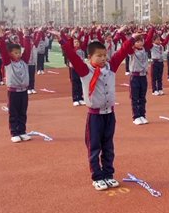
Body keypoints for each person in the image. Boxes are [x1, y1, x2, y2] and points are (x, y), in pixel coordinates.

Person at [53, 26, 134, 191]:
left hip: (109, 114)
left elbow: (122, 53)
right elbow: (73, 56)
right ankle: (97, 177)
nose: (103, 58)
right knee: (94, 146)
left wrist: (131, 38)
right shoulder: (85, 70)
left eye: (105, 55)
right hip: (95, 116)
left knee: (108, 146)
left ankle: (108, 174)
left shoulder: (110, 68)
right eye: (99, 56)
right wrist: (62, 40)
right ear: (90, 57)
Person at [0, 27, 33, 142]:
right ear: (10, 54)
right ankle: (14, 132)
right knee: (13, 113)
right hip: (13, 92)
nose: (18, 54)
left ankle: (22, 131)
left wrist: (26, 36)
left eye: (19, 52)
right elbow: (3, 51)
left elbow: (28, 49)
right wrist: (2, 38)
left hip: (23, 92)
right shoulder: (8, 63)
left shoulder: (24, 61)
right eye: (15, 53)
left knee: (23, 112)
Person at [128, 28, 154, 125]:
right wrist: (132, 37)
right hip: (135, 77)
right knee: (135, 98)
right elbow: (126, 44)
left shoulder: (145, 49)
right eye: (137, 41)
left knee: (142, 97)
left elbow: (149, 39)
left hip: (143, 77)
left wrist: (151, 29)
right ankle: (136, 116)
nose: (140, 43)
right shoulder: (132, 51)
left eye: (141, 41)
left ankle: (142, 115)